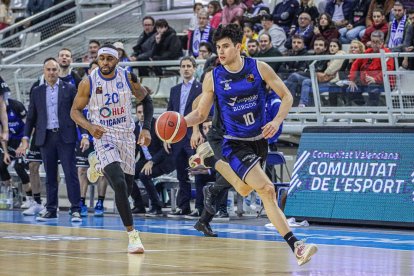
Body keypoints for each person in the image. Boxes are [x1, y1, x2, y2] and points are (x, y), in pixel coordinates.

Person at [184, 24, 317, 266]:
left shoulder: (259, 67)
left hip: (259, 142)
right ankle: (297, 246)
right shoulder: (212, 77)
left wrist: (277, 121)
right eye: (218, 47)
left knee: (247, 190)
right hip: (233, 144)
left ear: (238, 46)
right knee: (267, 189)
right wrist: (181, 122)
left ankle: (209, 164)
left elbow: (287, 96)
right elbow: (200, 113)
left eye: (225, 46)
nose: (221, 51)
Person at [70, 44, 153, 254]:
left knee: (127, 184)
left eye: (109, 58)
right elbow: (75, 111)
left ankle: (98, 164)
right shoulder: (88, 82)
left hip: (127, 135)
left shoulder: (128, 77)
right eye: (102, 58)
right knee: (118, 184)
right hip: (103, 135)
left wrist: (146, 129)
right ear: (97, 60)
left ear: (117, 60)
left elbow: (147, 99)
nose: (105, 62)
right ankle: (133, 235)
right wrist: (89, 127)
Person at [16, 58, 83, 222]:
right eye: (49, 70)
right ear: (44, 71)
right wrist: (25, 138)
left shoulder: (70, 88)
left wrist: (85, 134)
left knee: (70, 174)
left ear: (59, 71)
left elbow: (78, 112)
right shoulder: (37, 91)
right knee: (50, 175)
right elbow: (31, 117)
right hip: (46, 137)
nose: (52, 73)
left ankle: (75, 209)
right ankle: (51, 209)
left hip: (65, 136)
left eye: (54, 69)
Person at [165, 56, 202, 217]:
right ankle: (183, 207)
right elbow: (169, 115)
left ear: (194, 68)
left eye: (189, 66)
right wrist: (167, 137)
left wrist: (197, 131)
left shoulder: (200, 88)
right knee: (181, 174)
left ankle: (200, 207)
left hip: (193, 135)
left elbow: (203, 113)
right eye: (183, 66)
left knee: (198, 172)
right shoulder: (174, 90)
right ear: (180, 69)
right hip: (177, 136)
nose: (186, 68)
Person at [130, 102, 174, 216]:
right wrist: (128, 164)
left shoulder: (158, 125)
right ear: (136, 113)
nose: (142, 115)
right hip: (145, 160)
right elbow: (134, 149)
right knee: (127, 174)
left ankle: (156, 206)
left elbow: (164, 150)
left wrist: (152, 161)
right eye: (139, 112)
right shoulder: (134, 128)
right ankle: (139, 205)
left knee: (144, 175)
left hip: (162, 161)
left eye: (144, 112)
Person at [76, 60, 108, 217]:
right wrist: (84, 135)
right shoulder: (83, 90)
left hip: (103, 137)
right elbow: (77, 115)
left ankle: (100, 202)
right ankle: (81, 202)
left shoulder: (108, 91)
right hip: (86, 136)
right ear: (88, 72)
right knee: (82, 169)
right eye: (93, 70)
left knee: (102, 171)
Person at [348, 30, 395, 106]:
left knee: (373, 88)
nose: (374, 44)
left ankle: (372, 112)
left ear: (382, 42)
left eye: (377, 42)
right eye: (373, 41)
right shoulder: (367, 52)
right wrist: (352, 79)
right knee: (350, 88)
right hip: (365, 81)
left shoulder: (387, 53)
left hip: (383, 82)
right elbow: (355, 65)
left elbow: (387, 70)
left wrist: (375, 79)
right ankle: (363, 108)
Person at [0, 98, 30, 207]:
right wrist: (6, 152)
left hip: (23, 139)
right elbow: (3, 133)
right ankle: (12, 194)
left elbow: (29, 125)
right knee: (1, 166)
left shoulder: (16, 105)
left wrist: (24, 144)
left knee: (19, 167)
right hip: (10, 140)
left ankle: (31, 199)